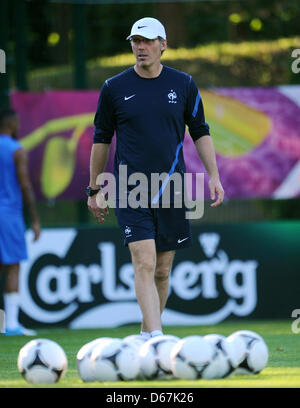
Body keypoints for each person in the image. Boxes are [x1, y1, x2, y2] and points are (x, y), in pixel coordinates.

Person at [87, 17, 224, 339]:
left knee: (163, 271)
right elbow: (101, 139)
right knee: (144, 262)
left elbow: (201, 132)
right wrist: (95, 188)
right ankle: (157, 339)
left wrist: (213, 176)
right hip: (128, 188)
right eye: (135, 41)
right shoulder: (114, 88)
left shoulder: (184, 84)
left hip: (172, 188)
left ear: (163, 44)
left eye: (147, 41)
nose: (140, 47)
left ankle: (146, 334)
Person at [0, 108, 41, 336]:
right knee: (13, 265)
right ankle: (12, 325)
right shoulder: (16, 150)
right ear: (12, 124)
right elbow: (24, 185)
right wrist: (35, 220)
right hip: (8, 214)